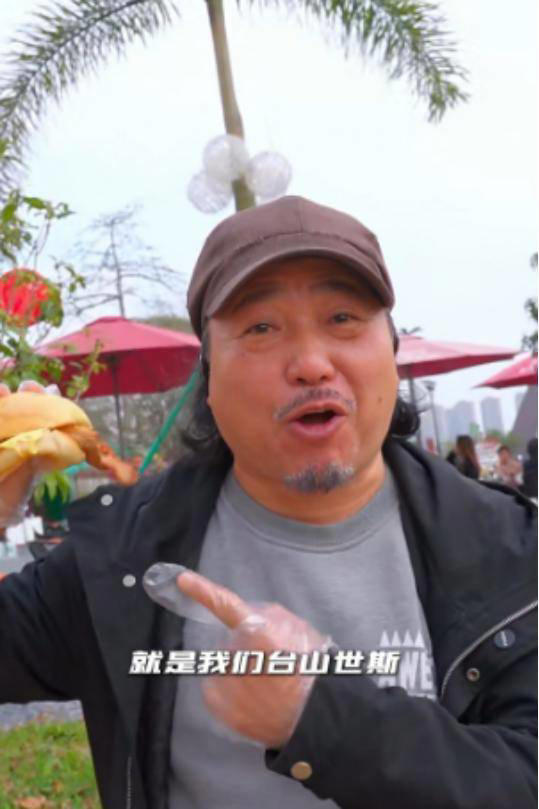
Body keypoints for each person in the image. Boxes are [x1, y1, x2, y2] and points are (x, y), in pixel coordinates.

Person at [0, 196, 536, 809]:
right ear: (209, 377)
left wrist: (322, 717)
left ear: (392, 352)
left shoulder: (513, 553)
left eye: (342, 318)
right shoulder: (121, 559)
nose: (311, 364)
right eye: (260, 328)